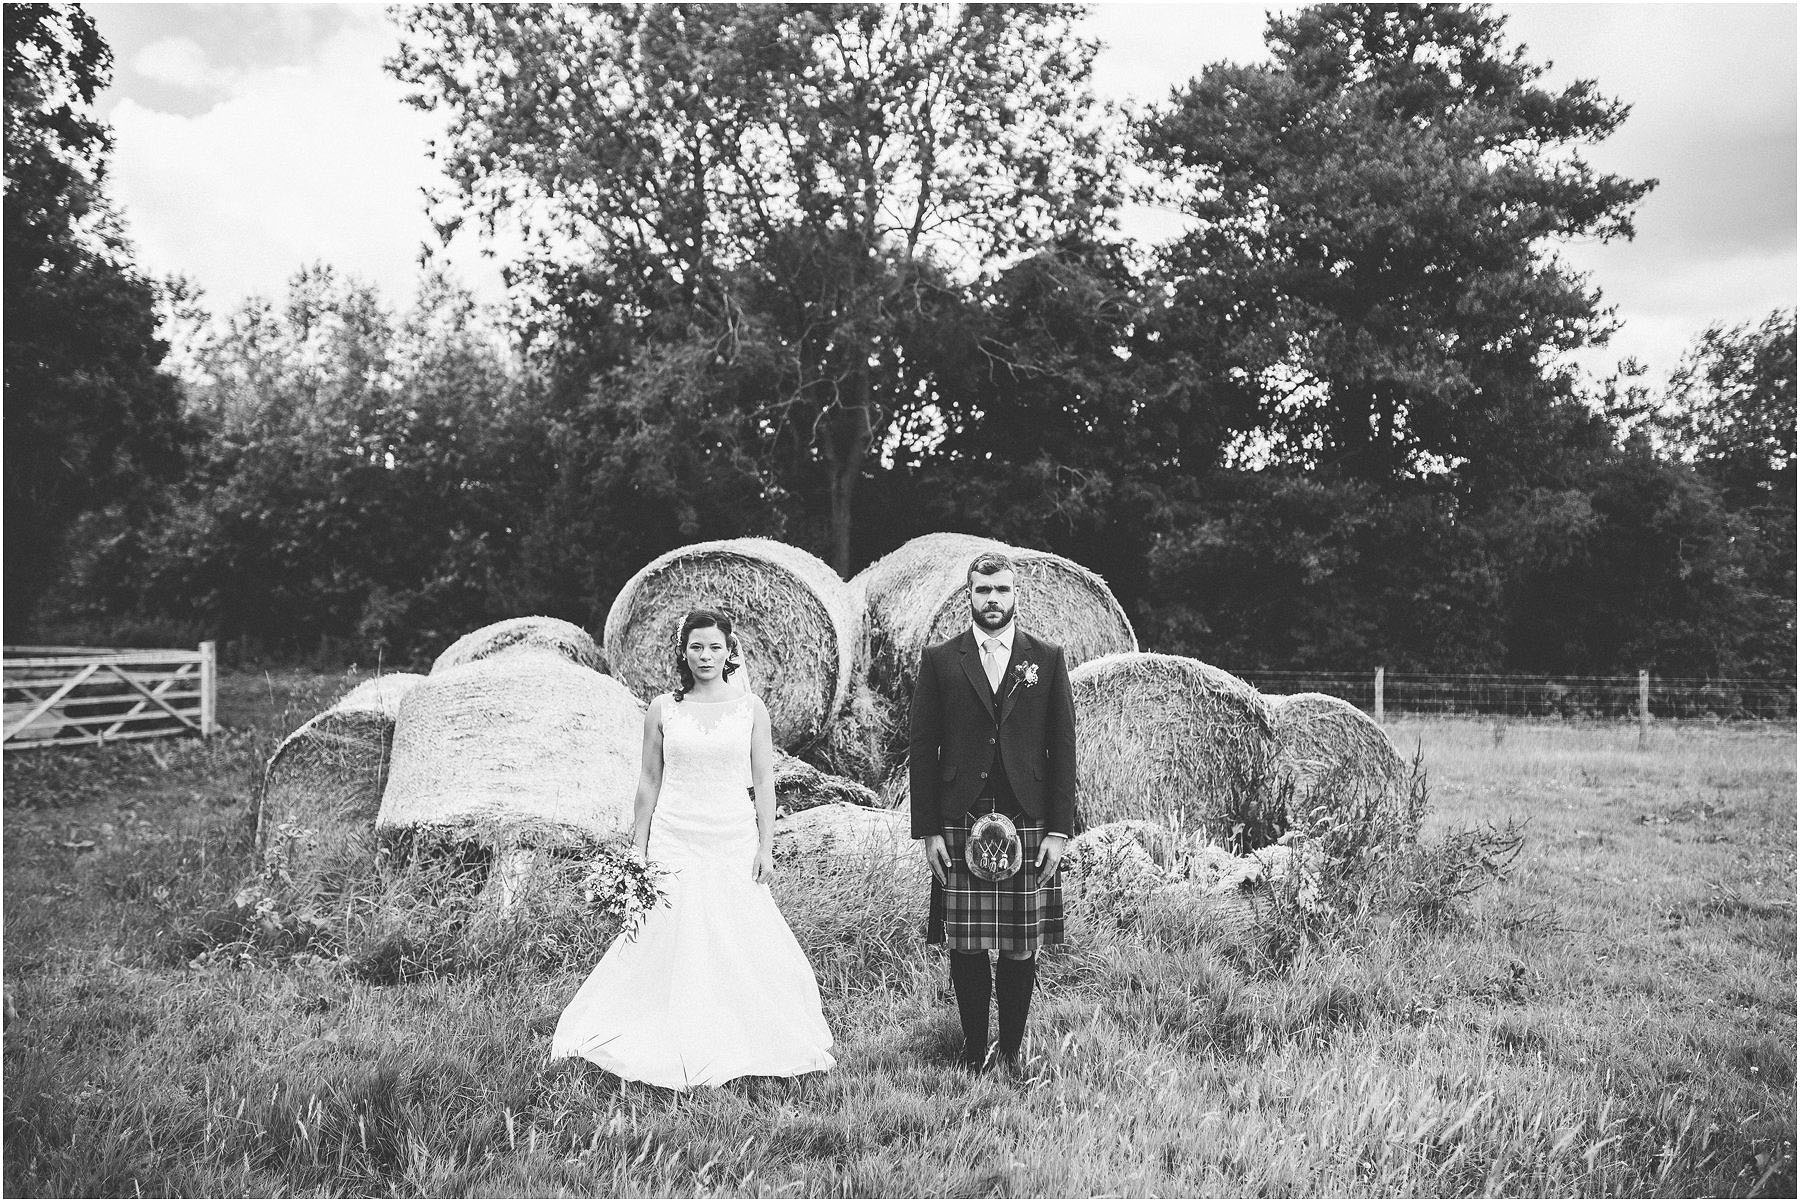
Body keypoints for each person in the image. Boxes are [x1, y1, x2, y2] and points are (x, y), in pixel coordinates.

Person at [551, 609, 835, 1089]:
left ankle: (743, 1029)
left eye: (715, 647)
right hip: (674, 835)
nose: (706, 656)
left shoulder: (751, 709)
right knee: (667, 930)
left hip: (730, 834)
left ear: (730, 651)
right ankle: (660, 1026)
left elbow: (765, 781)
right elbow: (649, 779)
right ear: (683, 651)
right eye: (697, 646)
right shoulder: (663, 709)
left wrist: (767, 845)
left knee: (737, 929)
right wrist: (637, 847)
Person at [909, 550, 1078, 1073]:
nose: (993, 600)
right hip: (962, 816)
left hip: (1028, 819)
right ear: (969, 595)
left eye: (1002, 590)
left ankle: (1009, 1053)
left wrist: (1057, 829)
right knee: (965, 944)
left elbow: (1063, 746)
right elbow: (923, 745)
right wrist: (928, 829)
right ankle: (972, 1050)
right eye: (983, 591)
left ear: (1015, 594)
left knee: (1020, 946)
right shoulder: (941, 659)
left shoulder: (1045, 657)